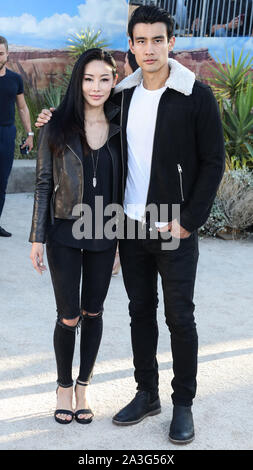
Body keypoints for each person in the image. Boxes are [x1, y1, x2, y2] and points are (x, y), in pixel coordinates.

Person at [35, 5, 225, 444]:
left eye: (157, 39)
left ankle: (182, 404)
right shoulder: (122, 94)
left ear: (171, 42)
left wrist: (188, 221)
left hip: (172, 226)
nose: (149, 48)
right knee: (141, 313)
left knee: (180, 317)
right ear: (131, 47)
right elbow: (87, 120)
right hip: (130, 226)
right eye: (140, 40)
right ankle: (147, 394)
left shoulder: (195, 94)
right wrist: (49, 120)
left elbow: (213, 163)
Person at [29, 48, 122, 425]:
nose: (96, 87)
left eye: (104, 79)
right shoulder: (56, 124)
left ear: (114, 81)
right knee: (68, 316)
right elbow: (42, 183)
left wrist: (121, 241)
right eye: (88, 78)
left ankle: (84, 386)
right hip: (64, 231)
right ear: (78, 81)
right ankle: (63, 387)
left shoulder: (122, 126)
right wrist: (37, 237)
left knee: (94, 312)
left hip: (105, 231)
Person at [0, 36, 33, 237]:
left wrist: (29, 134)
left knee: (2, 182)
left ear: (7, 54)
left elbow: (22, 108)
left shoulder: (15, 79)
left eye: (0, 53)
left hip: (6, 133)